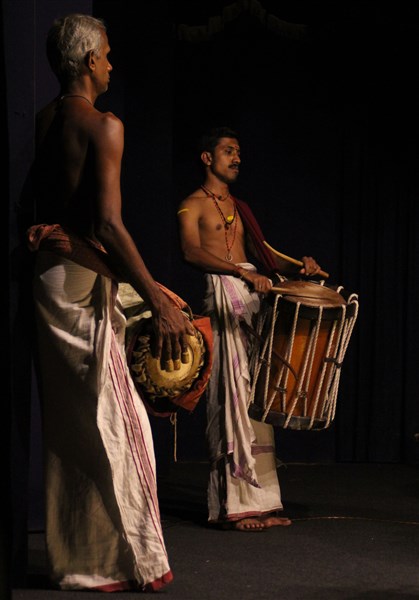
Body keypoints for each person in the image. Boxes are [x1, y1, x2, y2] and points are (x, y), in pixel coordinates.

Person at [25, 13, 194, 592]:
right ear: (90, 60)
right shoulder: (104, 125)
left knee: (73, 430)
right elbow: (106, 224)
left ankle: (84, 565)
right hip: (77, 280)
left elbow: (53, 213)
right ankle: (140, 561)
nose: (112, 65)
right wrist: (157, 299)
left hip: (50, 277)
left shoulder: (46, 118)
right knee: (124, 424)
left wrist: (147, 288)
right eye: (108, 55)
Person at [177, 126, 322, 531]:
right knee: (230, 397)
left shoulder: (239, 208)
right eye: (228, 151)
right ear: (207, 158)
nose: (237, 158)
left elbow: (266, 254)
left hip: (251, 301)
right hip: (225, 300)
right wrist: (241, 273)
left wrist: (300, 267)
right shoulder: (190, 206)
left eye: (238, 152)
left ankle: (263, 502)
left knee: (256, 397)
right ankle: (233, 506)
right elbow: (190, 251)